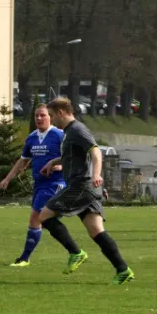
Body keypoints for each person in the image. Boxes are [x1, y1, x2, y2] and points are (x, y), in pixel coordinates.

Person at [39, 97, 134, 285]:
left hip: (81, 185)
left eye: (51, 115)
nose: (50, 120)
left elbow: (95, 152)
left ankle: (76, 252)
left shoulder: (77, 129)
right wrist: (54, 162)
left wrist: (97, 174)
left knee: (44, 216)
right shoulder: (68, 132)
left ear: (60, 112)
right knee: (96, 231)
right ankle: (123, 270)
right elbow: (74, 154)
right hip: (87, 187)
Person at [0, 104, 65, 267]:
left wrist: (61, 166)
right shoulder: (32, 138)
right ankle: (74, 251)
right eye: (36, 116)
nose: (39, 118)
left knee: (36, 217)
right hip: (39, 185)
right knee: (42, 220)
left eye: (43, 115)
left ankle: (24, 258)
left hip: (55, 183)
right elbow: (23, 161)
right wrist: (8, 178)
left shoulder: (60, 135)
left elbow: (74, 157)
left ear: (50, 117)